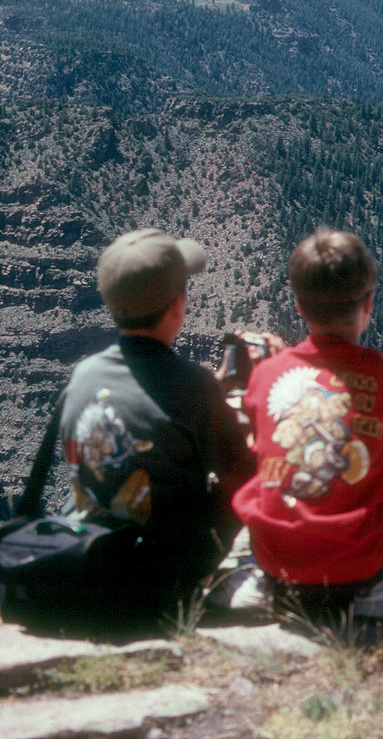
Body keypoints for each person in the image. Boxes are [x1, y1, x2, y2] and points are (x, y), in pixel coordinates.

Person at [231, 229, 383, 619]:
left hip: (277, 558)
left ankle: (261, 576)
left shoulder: (268, 372)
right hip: (358, 564)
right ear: (369, 304)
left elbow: (258, 426)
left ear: (299, 305)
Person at [58, 228, 255, 615]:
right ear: (178, 305)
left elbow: (146, 405)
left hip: (87, 551)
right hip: (158, 569)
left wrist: (213, 390)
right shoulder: (193, 385)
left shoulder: (82, 374)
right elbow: (242, 474)